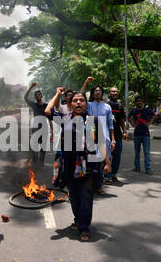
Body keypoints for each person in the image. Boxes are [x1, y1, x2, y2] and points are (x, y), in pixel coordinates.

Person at [45, 88, 111, 242]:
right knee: (74, 196)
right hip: (68, 164)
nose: (79, 102)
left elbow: (101, 143)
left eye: (81, 100)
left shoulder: (94, 121)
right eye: (75, 100)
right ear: (70, 103)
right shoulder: (64, 118)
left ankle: (84, 227)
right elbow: (48, 111)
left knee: (86, 196)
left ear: (86, 104)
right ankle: (78, 219)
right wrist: (58, 94)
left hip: (88, 165)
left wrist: (107, 162)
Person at [80, 77, 116, 195]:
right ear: (92, 93)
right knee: (90, 162)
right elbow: (80, 95)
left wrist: (113, 140)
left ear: (102, 93)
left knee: (101, 163)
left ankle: (99, 186)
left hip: (104, 137)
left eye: (99, 90)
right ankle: (89, 185)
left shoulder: (107, 107)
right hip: (90, 136)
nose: (97, 92)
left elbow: (110, 124)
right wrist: (86, 83)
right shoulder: (88, 105)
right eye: (95, 90)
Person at [24, 82, 53, 168]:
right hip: (35, 128)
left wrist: (52, 130)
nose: (37, 96)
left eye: (39, 94)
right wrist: (31, 87)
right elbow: (25, 97)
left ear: (42, 96)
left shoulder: (46, 106)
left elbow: (49, 118)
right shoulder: (33, 105)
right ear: (35, 97)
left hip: (44, 128)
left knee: (43, 148)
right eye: (36, 95)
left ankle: (41, 164)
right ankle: (35, 162)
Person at [128, 96, 157, 175]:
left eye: (141, 101)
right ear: (135, 102)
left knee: (147, 152)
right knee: (137, 152)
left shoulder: (146, 110)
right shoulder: (133, 111)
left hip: (146, 134)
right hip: (137, 134)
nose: (140, 102)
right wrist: (132, 124)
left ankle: (148, 169)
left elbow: (154, 115)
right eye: (138, 101)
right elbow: (128, 117)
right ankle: (137, 167)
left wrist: (149, 123)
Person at [105, 87, 128, 183]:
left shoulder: (120, 106)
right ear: (109, 93)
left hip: (117, 135)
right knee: (107, 156)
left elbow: (121, 119)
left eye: (116, 92)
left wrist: (125, 131)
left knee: (117, 156)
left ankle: (113, 174)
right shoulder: (106, 105)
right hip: (107, 134)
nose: (115, 93)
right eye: (113, 91)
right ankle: (106, 175)